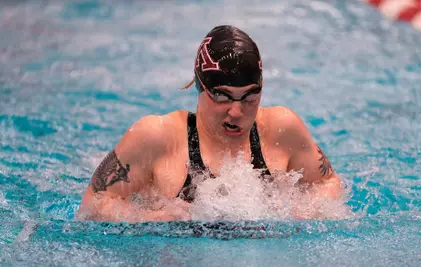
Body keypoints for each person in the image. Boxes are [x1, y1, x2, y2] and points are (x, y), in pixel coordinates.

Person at [78, 25, 344, 223]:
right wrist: (151, 217)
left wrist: (306, 210)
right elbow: (93, 204)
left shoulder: (281, 128)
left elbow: (329, 183)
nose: (237, 111)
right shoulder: (156, 136)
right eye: (222, 96)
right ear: (198, 85)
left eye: (250, 96)